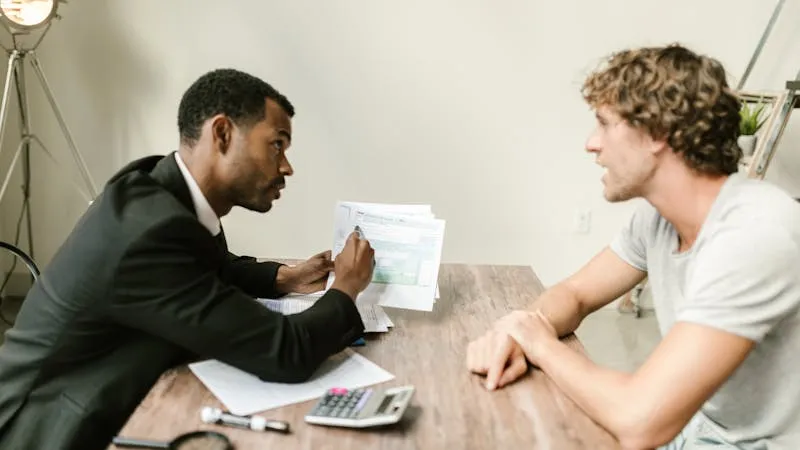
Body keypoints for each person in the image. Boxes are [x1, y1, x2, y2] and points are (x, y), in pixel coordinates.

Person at [0, 68, 375, 449]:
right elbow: (285, 352)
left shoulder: (160, 189)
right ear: (223, 134)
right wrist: (345, 287)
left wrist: (284, 278)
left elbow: (208, 266)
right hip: (42, 431)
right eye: (277, 144)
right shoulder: (149, 232)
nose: (286, 167)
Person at [467, 44, 800, 449]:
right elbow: (576, 295)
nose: (592, 143)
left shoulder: (756, 234)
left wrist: (537, 341)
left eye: (605, 124)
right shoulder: (657, 220)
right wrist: (517, 331)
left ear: (657, 133)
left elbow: (640, 420)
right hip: (694, 433)